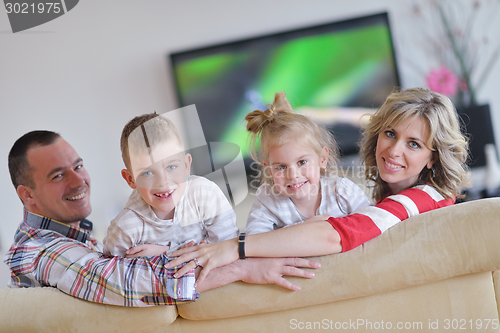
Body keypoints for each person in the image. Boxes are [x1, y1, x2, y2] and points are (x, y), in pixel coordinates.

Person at [167, 87, 470, 286]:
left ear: (434, 157)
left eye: (414, 144)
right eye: (390, 133)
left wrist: (237, 250)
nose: (393, 150)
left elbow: (337, 236)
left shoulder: (424, 198)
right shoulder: (391, 196)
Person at [3, 131, 321, 307]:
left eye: (78, 165)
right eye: (58, 175)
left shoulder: (73, 238)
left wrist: (169, 252)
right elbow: (126, 283)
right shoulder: (40, 251)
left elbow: (128, 266)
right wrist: (244, 265)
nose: (78, 181)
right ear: (28, 195)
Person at [102, 113, 238, 258]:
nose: (163, 182)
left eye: (171, 167)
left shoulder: (205, 195)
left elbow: (229, 249)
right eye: (147, 173)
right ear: (130, 179)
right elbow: (112, 273)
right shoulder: (125, 229)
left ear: (186, 165)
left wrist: (166, 252)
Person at [244, 91, 371, 235]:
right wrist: (304, 227)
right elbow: (252, 241)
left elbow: (371, 225)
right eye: (281, 167)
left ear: (322, 159)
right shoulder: (268, 200)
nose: (293, 175)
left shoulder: (342, 191)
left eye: (302, 162)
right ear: (269, 170)